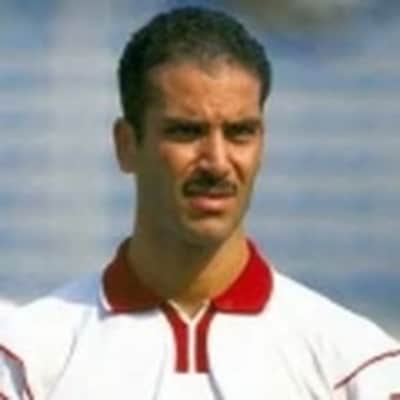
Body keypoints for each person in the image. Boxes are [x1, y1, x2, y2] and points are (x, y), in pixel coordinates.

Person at [0, 6, 399, 399]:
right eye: (186, 132)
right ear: (126, 145)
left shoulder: (355, 369)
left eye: (240, 133)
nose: (218, 162)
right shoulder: (26, 364)